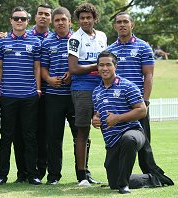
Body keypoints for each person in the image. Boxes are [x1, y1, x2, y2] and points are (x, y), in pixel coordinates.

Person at [92, 50, 173, 194]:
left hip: (134, 132)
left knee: (128, 139)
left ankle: (124, 186)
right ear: (97, 67)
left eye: (108, 65)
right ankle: (152, 178)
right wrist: (95, 119)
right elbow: (99, 114)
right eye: (101, 65)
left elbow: (142, 110)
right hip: (112, 141)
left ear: (115, 66)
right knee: (113, 182)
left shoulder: (127, 86)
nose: (105, 68)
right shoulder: (96, 92)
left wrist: (118, 118)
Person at [106, 12, 174, 182]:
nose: (122, 25)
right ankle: (118, 175)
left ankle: (151, 174)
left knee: (143, 142)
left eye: (125, 22)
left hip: (137, 103)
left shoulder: (143, 47)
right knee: (116, 139)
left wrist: (145, 101)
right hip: (117, 104)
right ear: (115, 26)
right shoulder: (110, 50)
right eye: (119, 22)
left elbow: (148, 75)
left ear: (132, 25)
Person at [0, 6, 41, 185]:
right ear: (11, 21)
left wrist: (37, 89)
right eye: (16, 18)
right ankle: (1, 175)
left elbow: (37, 67)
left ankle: (33, 174)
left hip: (29, 96)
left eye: (23, 18)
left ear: (28, 21)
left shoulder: (35, 42)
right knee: (6, 137)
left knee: (30, 137)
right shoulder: (2, 42)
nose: (19, 21)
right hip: (8, 95)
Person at [67, 2, 106, 186]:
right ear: (78, 20)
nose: (85, 21)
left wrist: (103, 69)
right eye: (82, 18)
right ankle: (82, 176)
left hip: (103, 87)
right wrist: (97, 66)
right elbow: (73, 68)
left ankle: (114, 171)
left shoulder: (102, 37)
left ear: (94, 18)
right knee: (83, 131)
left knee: (110, 127)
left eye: (88, 17)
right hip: (82, 88)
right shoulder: (75, 39)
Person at [13, 3, 52, 183]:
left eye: (47, 14)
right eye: (40, 14)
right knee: (20, 134)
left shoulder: (53, 38)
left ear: (50, 18)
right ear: (34, 17)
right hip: (25, 93)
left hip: (47, 94)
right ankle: (23, 172)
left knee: (42, 134)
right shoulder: (23, 36)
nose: (43, 17)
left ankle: (40, 171)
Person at [41, 7, 78, 185]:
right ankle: (54, 175)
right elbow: (42, 67)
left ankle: (83, 174)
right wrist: (48, 79)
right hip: (54, 96)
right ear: (52, 23)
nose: (60, 23)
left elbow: (86, 64)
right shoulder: (47, 43)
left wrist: (73, 74)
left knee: (80, 135)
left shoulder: (78, 40)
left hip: (75, 96)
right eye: (57, 20)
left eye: (64, 19)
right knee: (54, 138)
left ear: (70, 21)